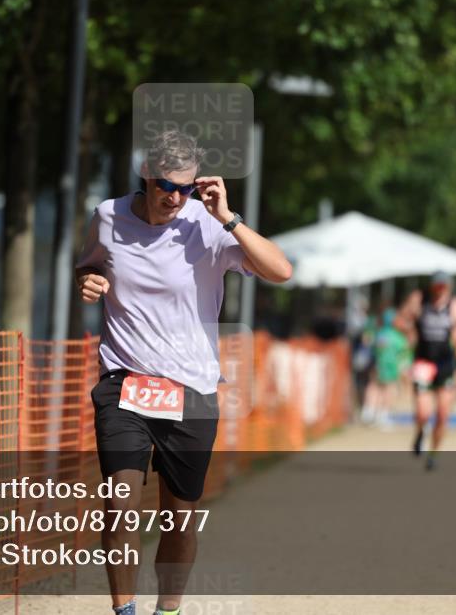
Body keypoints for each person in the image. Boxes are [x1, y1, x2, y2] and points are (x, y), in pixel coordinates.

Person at [75, 130, 292, 615]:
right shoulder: (108, 218)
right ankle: (124, 611)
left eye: (186, 188)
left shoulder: (208, 226)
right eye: (165, 186)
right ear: (146, 178)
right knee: (119, 502)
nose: (175, 197)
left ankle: (167, 610)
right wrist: (86, 280)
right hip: (124, 379)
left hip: (190, 389)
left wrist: (229, 218)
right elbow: (87, 265)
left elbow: (281, 271)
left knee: (178, 519)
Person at [396, 272, 456, 471]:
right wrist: (409, 330)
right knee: (423, 413)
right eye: (437, 287)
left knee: (442, 413)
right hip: (423, 362)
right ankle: (420, 432)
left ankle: (434, 454)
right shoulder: (419, 300)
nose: (440, 291)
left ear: (448, 287)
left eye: (444, 287)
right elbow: (398, 321)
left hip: (445, 365)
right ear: (432, 286)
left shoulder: (455, 306)